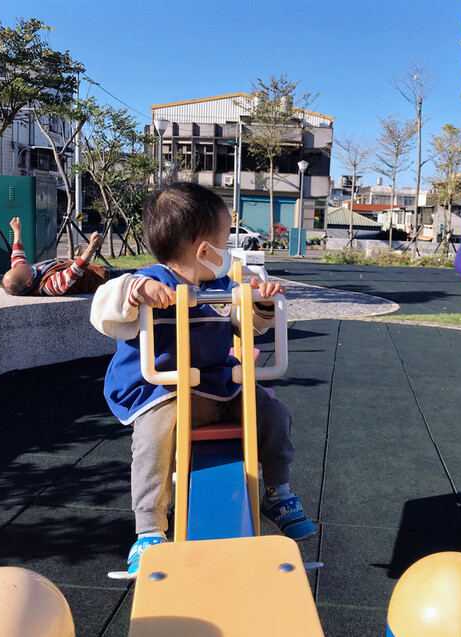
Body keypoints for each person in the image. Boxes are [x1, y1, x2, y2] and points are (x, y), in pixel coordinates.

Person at [90, 182, 315, 577]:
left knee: (274, 413)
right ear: (203, 250)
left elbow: (248, 327)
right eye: (225, 243)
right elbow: (105, 306)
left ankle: (279, 491)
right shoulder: (149, 280)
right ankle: (149, 529)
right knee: (153, 437)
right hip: (162, 390)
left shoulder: (222, 287)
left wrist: (259, 303)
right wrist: (137, 290)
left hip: (216, 388)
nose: (229, 254)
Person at [2, 218, 120, 296]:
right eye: (18, 270)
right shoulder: (48, 286)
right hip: (104, 279)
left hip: (100, 270)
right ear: (28, 283)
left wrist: (17, 231)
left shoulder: (25, 273)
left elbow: (17, 257)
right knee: (137, 277)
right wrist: (92, 247)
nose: (19, 267)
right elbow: (72, 273)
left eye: (15, 268)